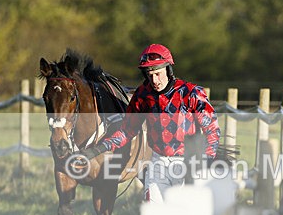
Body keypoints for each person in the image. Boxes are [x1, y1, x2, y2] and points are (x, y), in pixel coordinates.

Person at [76, 43, 220, 203]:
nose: (154, 80)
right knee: (152, 210)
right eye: (149, 75)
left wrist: (207, 159)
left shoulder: (191, 93)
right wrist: (98, 149)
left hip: (187, 162)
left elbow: (212, 130)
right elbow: (126, 131)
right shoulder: (142, 95)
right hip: (158, 162)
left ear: (168, 70)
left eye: (158, 74)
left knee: (180, 213)